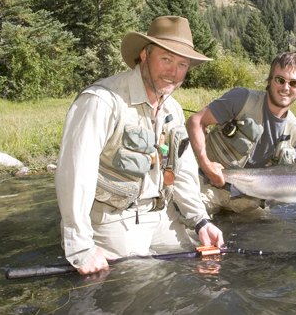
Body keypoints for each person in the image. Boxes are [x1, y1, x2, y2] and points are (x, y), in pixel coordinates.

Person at [55, 16, 224, 275]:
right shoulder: (101, 101)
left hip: (161, 216)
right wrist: (80, 247)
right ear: (145, 55)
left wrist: (200, 221)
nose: (174, 72)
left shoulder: (173, 109)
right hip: (115, 219)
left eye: (182, 64)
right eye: (166, 59)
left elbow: (185, 172)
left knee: (196, 272)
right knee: (136, 289)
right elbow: (75, 174)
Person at [186, 52, 296, 215]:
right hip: (208, 186)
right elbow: (195, 122)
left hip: (251, 204)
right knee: (189, 231)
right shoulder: (241, 99)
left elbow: (284, 184)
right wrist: (205, 163)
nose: (286, 87)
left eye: (294, 83)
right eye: (280, 80)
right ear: (270, 80)